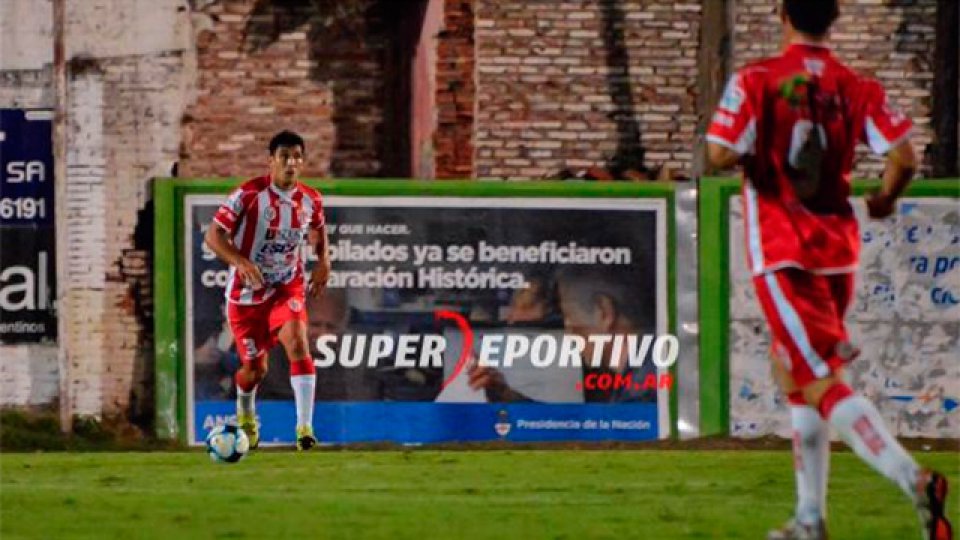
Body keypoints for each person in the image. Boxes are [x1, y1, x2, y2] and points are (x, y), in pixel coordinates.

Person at [706, 2, 952, 539]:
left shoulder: (758, 80)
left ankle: (913, 478)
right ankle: (809, 519)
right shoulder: (855, 85)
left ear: (782, 14)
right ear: (834, 17)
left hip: (782, 249)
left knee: (815, 378)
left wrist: (753, 153)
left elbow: (719, 152)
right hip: (837, 252)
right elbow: (904, 158)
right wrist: (885, 199)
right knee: (793, 373)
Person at [204, 130, 331, 451]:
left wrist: (324, 260)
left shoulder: (311, 199)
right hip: (246, 297)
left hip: (285, 287)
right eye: (285, 157)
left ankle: (305, 428)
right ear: (271, 160)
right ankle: (246, 413)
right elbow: (214, 236)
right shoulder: (247, 195)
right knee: (255, 369)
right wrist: (240, 261)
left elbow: (317, 230)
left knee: (298, 344)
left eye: (297, 157)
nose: (292, 163)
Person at [467, 267, 657, 403]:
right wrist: (506, 395)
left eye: (567, 316)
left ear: (604, 312)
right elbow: (583, 428)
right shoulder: (647, 374)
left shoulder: (641, 394)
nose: (567, 332)